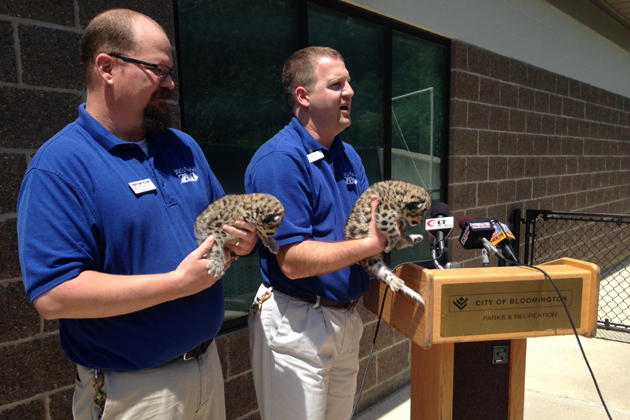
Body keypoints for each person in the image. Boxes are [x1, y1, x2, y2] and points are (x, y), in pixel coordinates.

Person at [16, 9, 256, 420]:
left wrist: (244, 238)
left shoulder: (181, 146)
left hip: (206, 368)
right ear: (107, 67)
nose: (170, 83)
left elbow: (223, 220)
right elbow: (53, 296)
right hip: (133, 391)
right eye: (157, 70)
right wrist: (176, 284)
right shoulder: (60, 166)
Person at [245, 46, 387, 420]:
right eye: (337, 84)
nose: (350, 92)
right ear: (303, 96)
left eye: (349, 83)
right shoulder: (280, 161)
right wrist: (368, 244)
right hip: (298, 322)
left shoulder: (348, 155)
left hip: (346, 320)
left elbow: (363, 228)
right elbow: (291, 261)